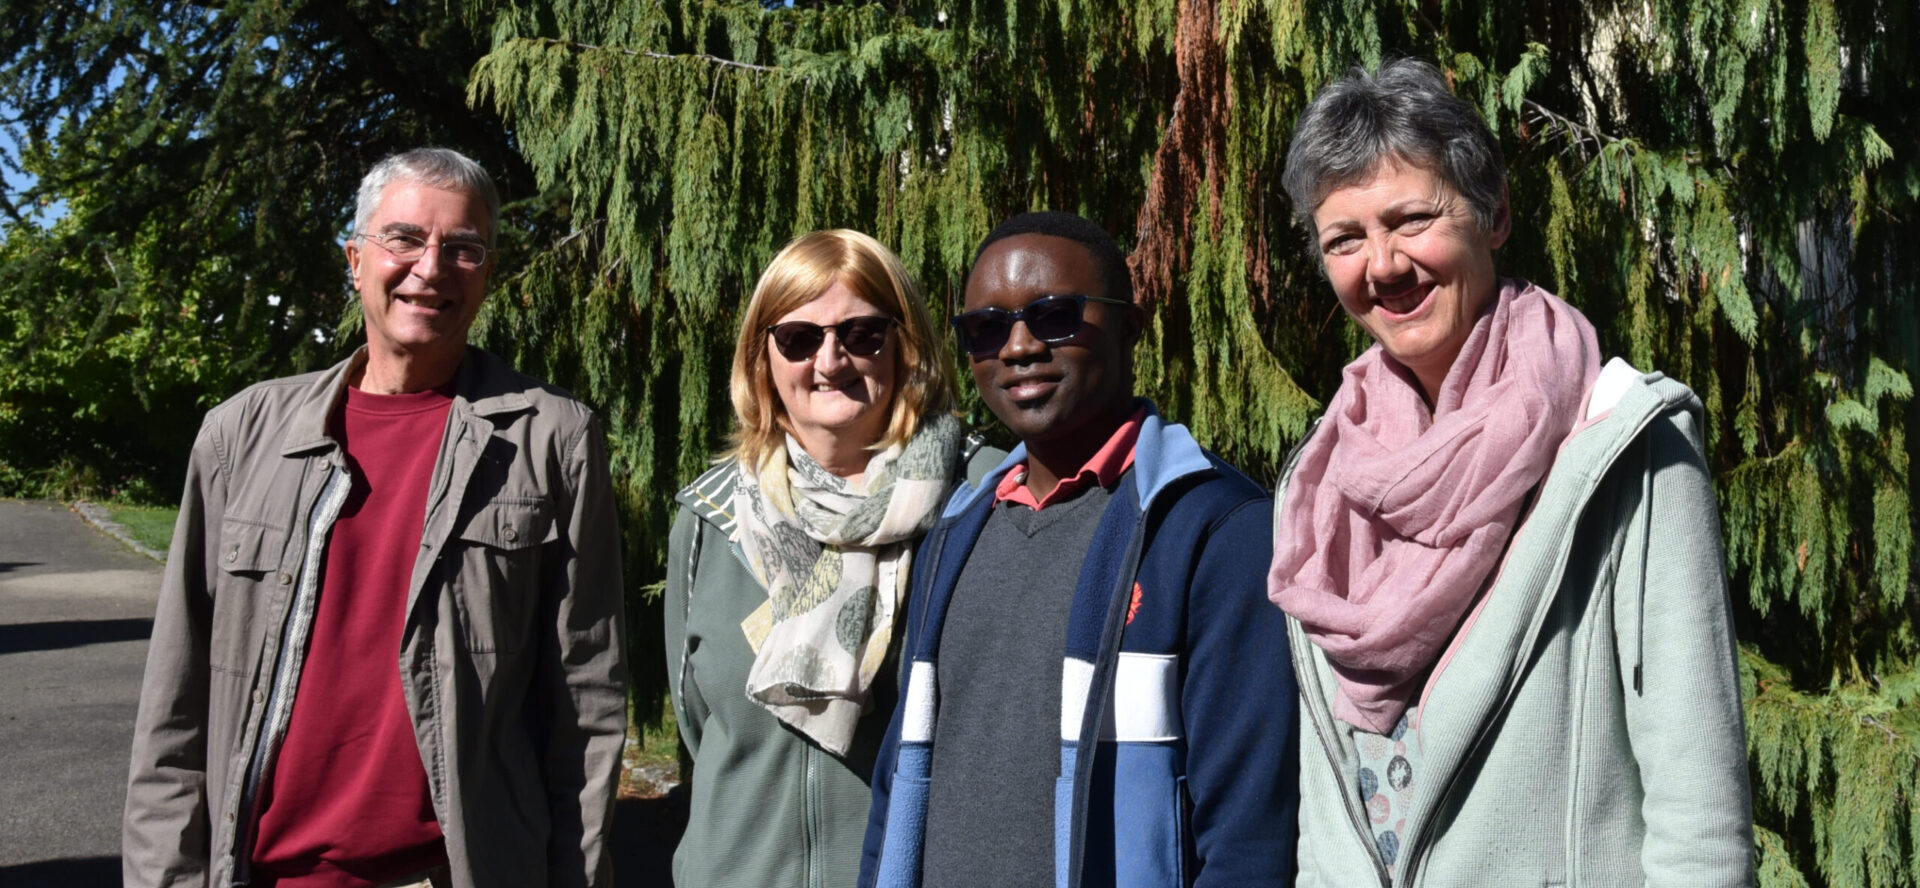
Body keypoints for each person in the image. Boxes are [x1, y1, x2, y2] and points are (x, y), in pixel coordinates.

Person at [1268, 59, 1753, 885]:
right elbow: (1326, 807)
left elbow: (1698, 816)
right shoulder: (1323, 483)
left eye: (1412, 218)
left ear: (1492, 216)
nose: (1381, 265)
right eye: (1344, 239)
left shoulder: (1624, 446)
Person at [123, 148, 627, 888]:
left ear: (486, 273)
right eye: (404, 239)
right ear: (355, 258)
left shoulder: (551, 439)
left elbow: (585, 705)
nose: (432, 267)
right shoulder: (242, 436)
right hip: (261, 875)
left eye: (463, 248)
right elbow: (177, 697)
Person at [860, 212, 1298, 888]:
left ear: (1131, 327)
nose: (1019, 346)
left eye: (1055, 315)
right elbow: (897, 790)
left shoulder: (1215, 531)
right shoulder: (954, 533)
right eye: (986, 328)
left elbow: (1250, 835)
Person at [664, 229, 995, 888]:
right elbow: (699, 729)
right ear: (762, 360)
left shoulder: (980, 499)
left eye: (863, 334)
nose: (831, 359)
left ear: (906, 346)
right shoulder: (710, 520)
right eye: (799, 338)